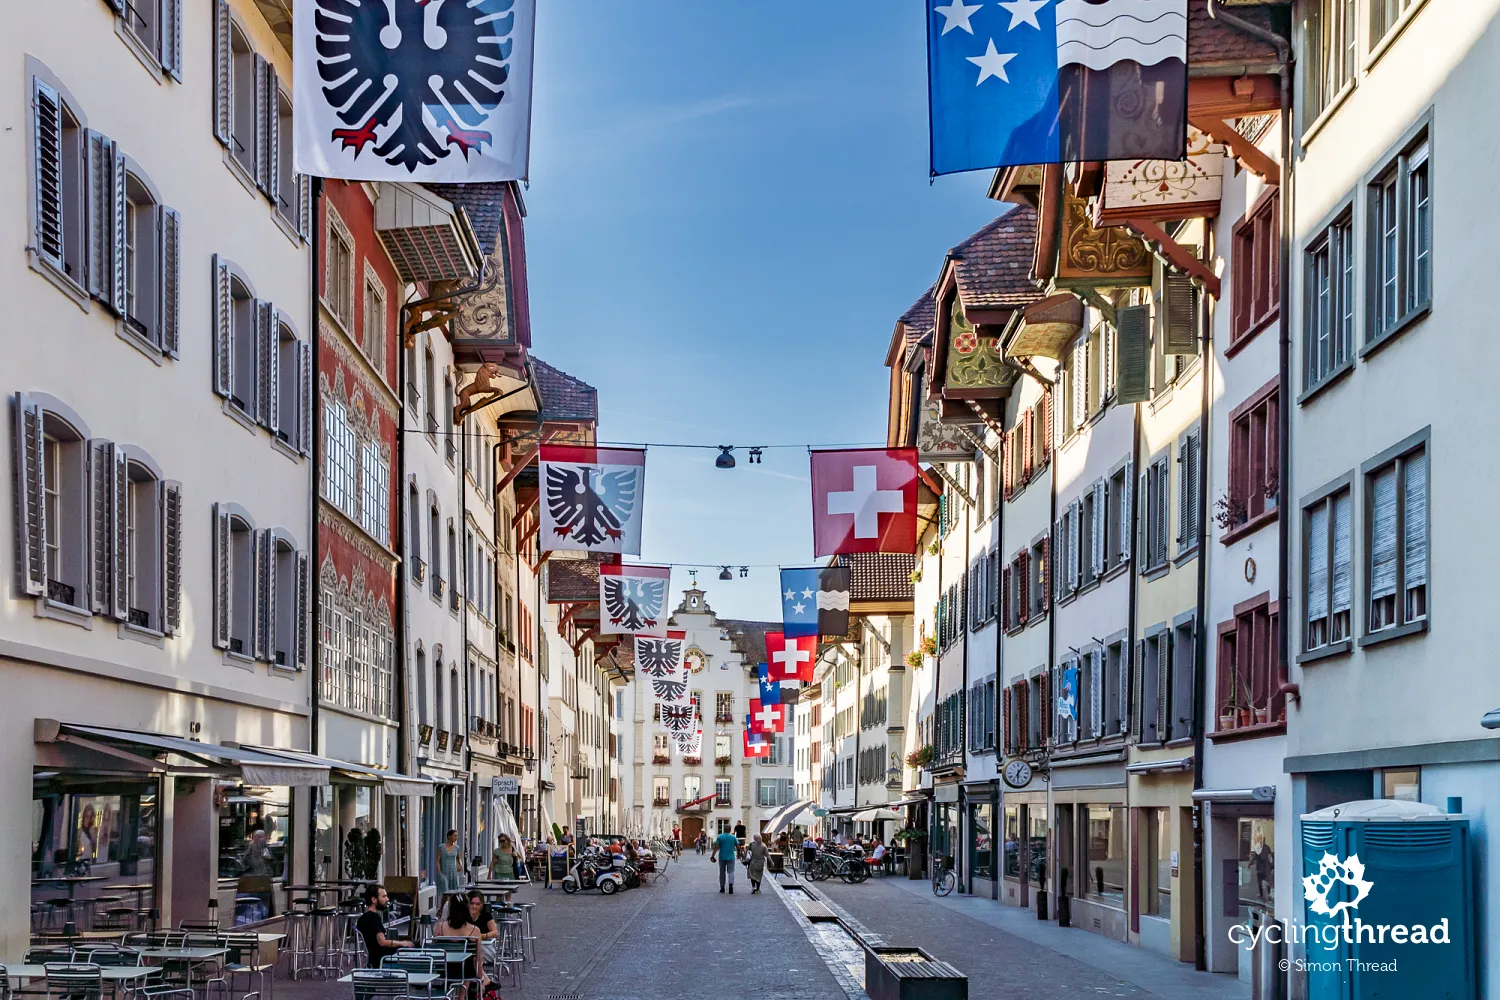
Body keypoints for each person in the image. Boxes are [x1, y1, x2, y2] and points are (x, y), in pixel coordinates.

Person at [433, 894, 488, 995]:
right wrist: (482, 980)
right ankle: (461, 997)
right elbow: (478, 959)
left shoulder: (440, 928)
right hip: (465, 972)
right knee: (467, 963)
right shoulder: (474, 931)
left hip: (444, 970)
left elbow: (436, 951)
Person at [357, 884, 412, 969]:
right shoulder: (374, 918)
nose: (387, 899)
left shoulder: (362, 918)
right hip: (382, 958)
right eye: (384, 897)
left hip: (374, 957)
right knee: (414, 945)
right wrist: (402, 943)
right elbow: (382, 942)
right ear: (374, 899)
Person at [465, 890, 499, 964]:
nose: (474, 906)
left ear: (481, 905)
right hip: (467, 947)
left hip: (484, 947)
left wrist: (481, 936)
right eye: (472, 903)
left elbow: (495, 932)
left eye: (477, 904)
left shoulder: (486, 916)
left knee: (475, 956)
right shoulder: (463, 916)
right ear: (468, 904)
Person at [436, 830, 464, 895]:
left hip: (453, 873)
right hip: (444, 873)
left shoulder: (457, 848)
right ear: (449, 836)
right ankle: (442, 905)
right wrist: (439, 872)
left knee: (454, 893)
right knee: (445, 893)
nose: (456, 837)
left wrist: (460, 864)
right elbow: (437, 860)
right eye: (454, 836)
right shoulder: (441, 847)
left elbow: (459, 858)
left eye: (457, 836)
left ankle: (451, 905)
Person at [712, 828, 739, 894]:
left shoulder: (720, 837)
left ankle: (722, 887)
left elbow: (716, 847)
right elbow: (738, 846)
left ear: (724, 829)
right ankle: (730, 885)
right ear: (730, 830)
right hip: (731, 857)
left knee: (722, 872)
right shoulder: (733, 837)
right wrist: (739, 854)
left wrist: (713, 855)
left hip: (722, 857)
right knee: (731, 871)